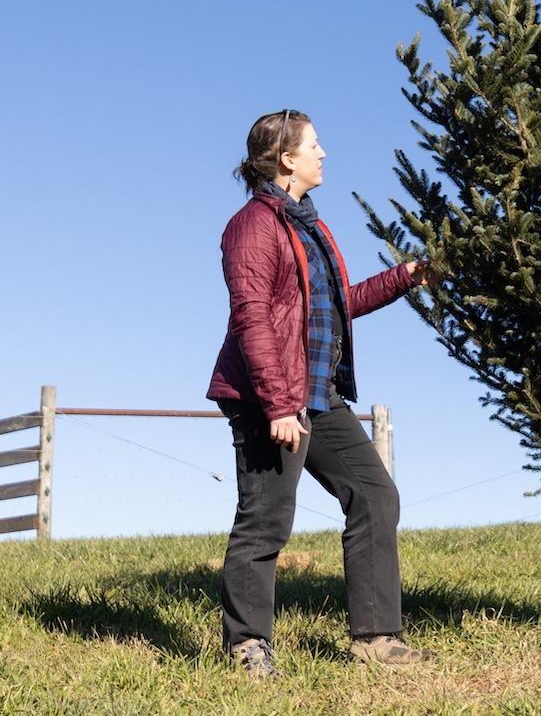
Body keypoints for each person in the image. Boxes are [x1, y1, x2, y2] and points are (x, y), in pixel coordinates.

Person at [207, 109, 434, 680]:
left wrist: (406, 275)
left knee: (375, 494)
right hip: (270, 396)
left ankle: (376, 638)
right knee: (265, 521)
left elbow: (333, 306)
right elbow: (252, 317)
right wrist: (278, 404)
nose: (324, 153)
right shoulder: (252, 225)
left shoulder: (307, 225)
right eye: (315, 145)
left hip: (318, 393)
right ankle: (247, 646)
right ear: (287, 158)